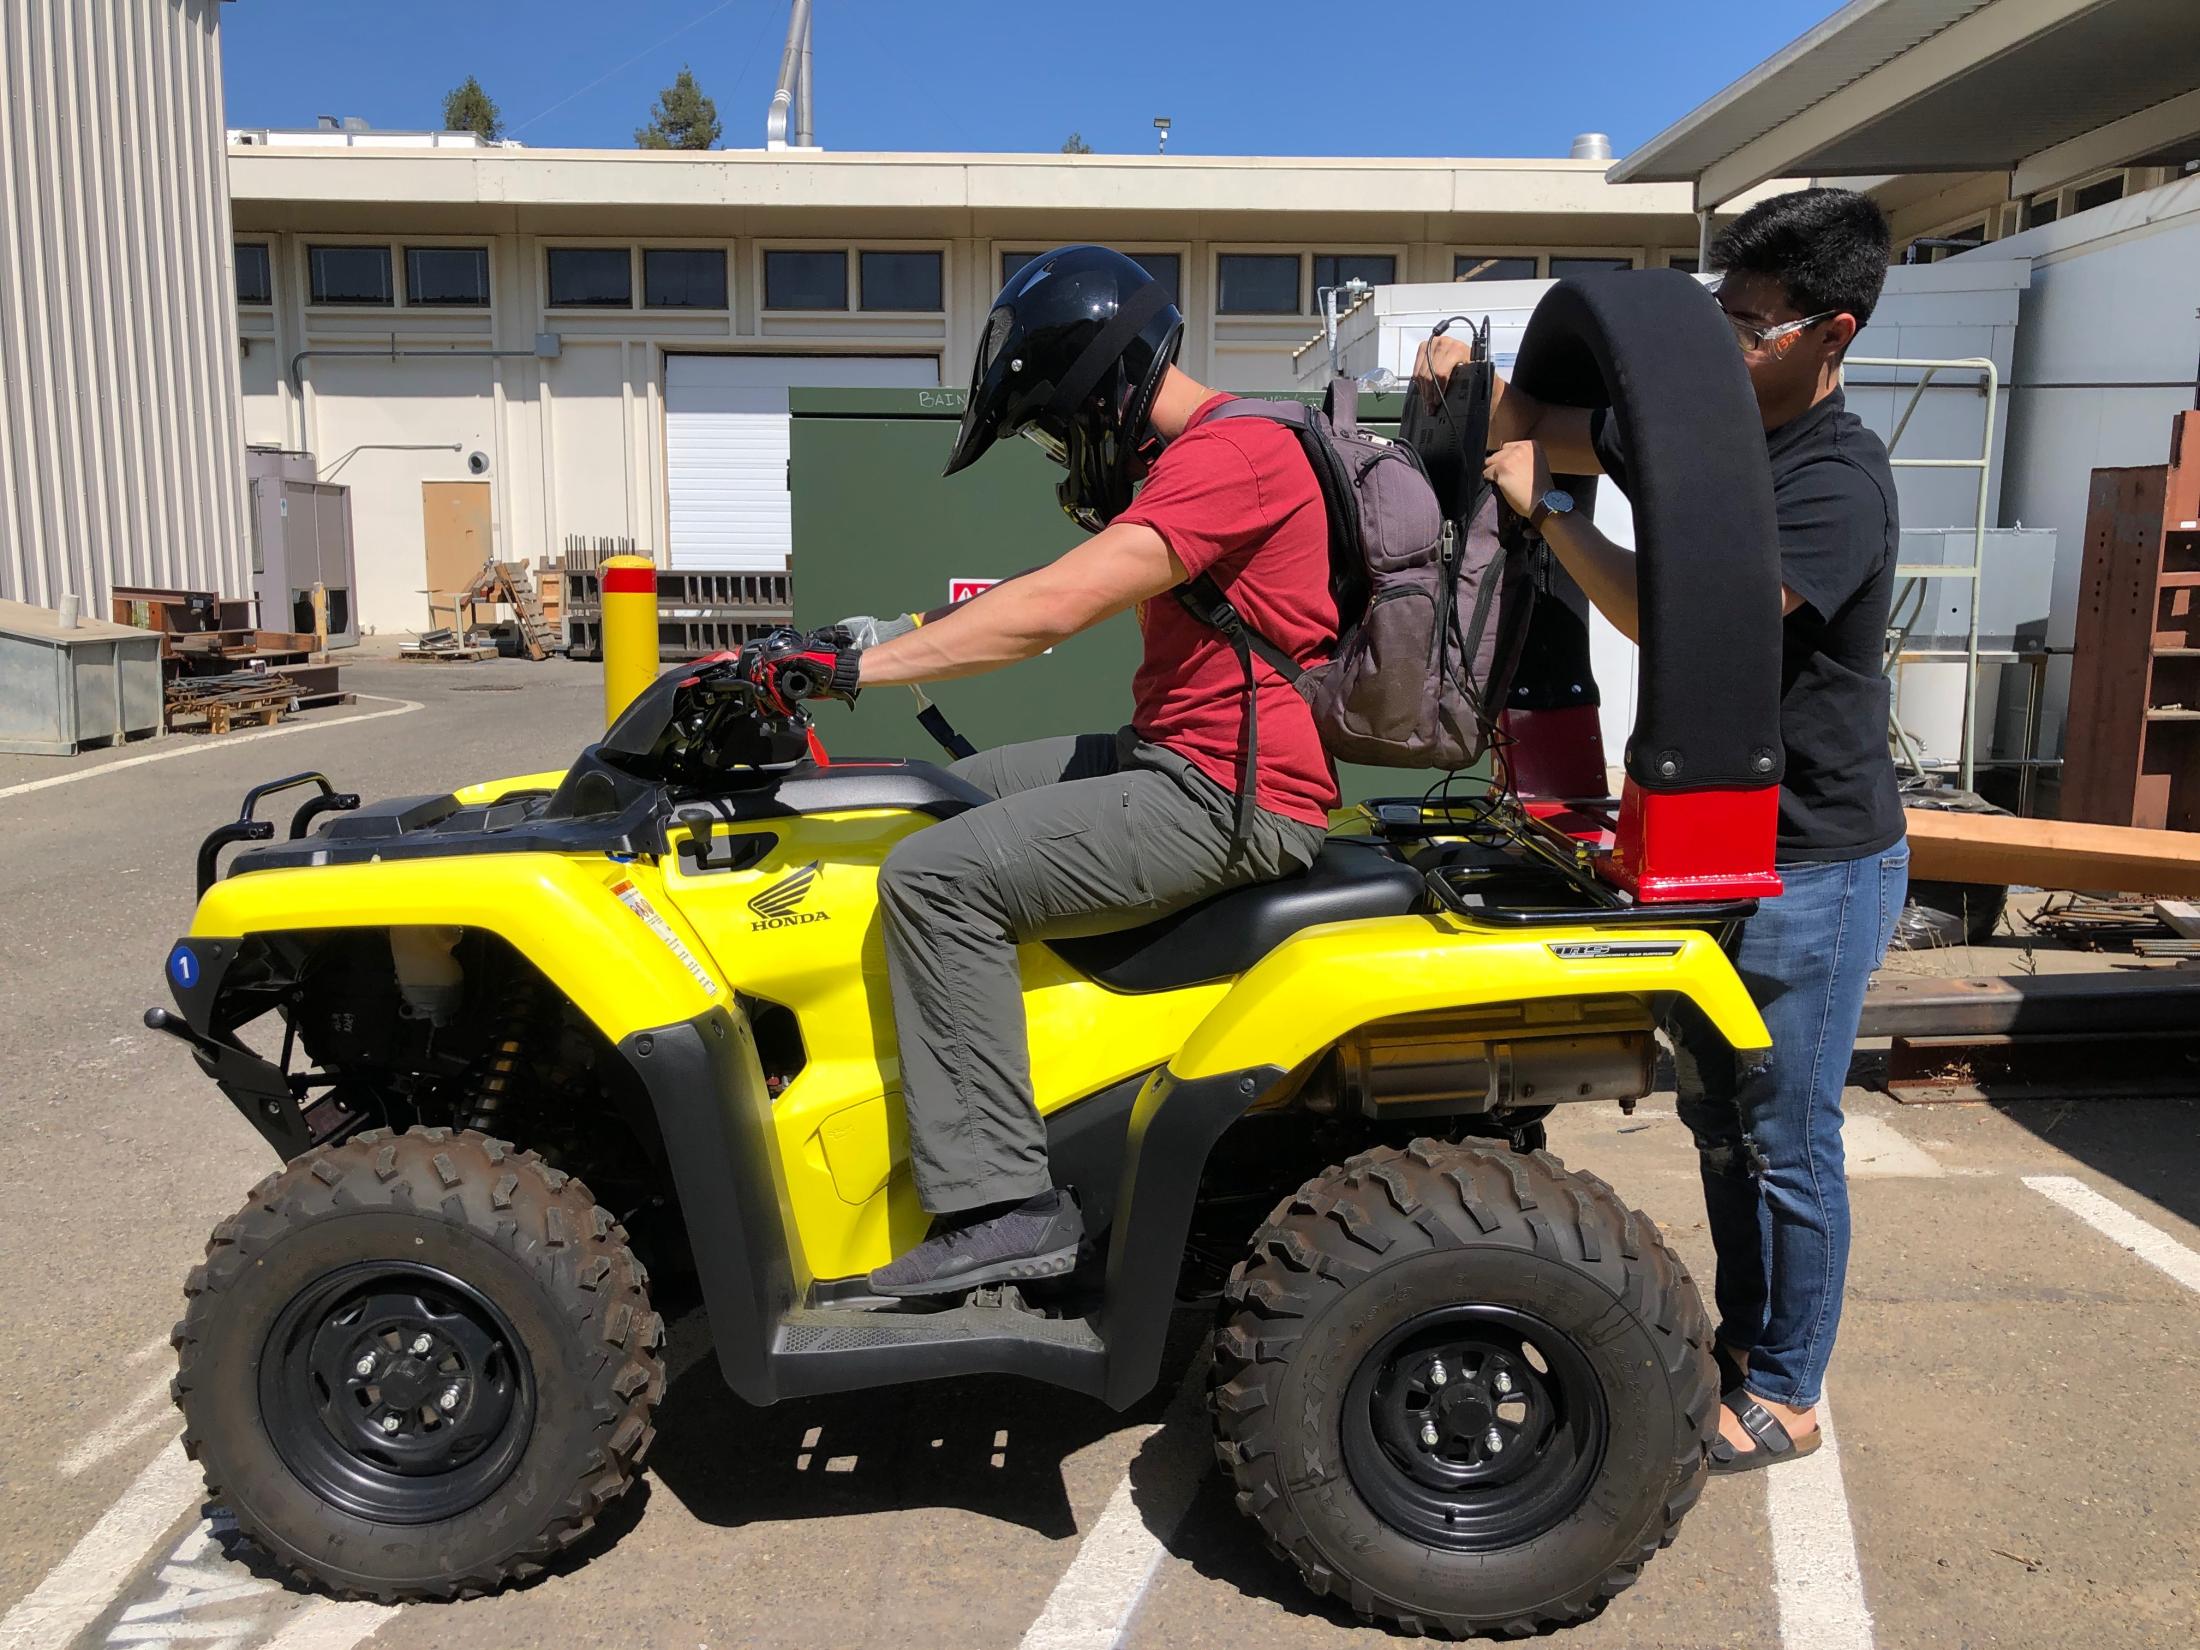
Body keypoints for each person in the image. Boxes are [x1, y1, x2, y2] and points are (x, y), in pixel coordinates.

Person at [1417, 187, 1909, 1473]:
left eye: (1749, 326)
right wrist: (1484, 388)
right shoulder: (1699, 428)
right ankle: (1745, 1345)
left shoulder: (1834, 477)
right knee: (1720, 1119)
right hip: (1716, 841)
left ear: (1828, 332)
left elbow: (1688, 618)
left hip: (1818, 854)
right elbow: (1540, 426)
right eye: (1718, 318)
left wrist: (1558, 515)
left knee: (1787, 1136)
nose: (1727, 347)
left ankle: (1789, 1388)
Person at [762, 245, 1339, 1297]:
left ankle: (1000, 1200)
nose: (1062, 451)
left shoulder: (1233, 453)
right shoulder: (1210, 454)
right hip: (1177, 758)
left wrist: (852, 668)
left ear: (1104, 391)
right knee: (922, 799)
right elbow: (1058, 579)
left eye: (1054, 425)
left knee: (934, 879)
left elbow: (1058, 609)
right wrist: (892, 630)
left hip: (1226, 795)